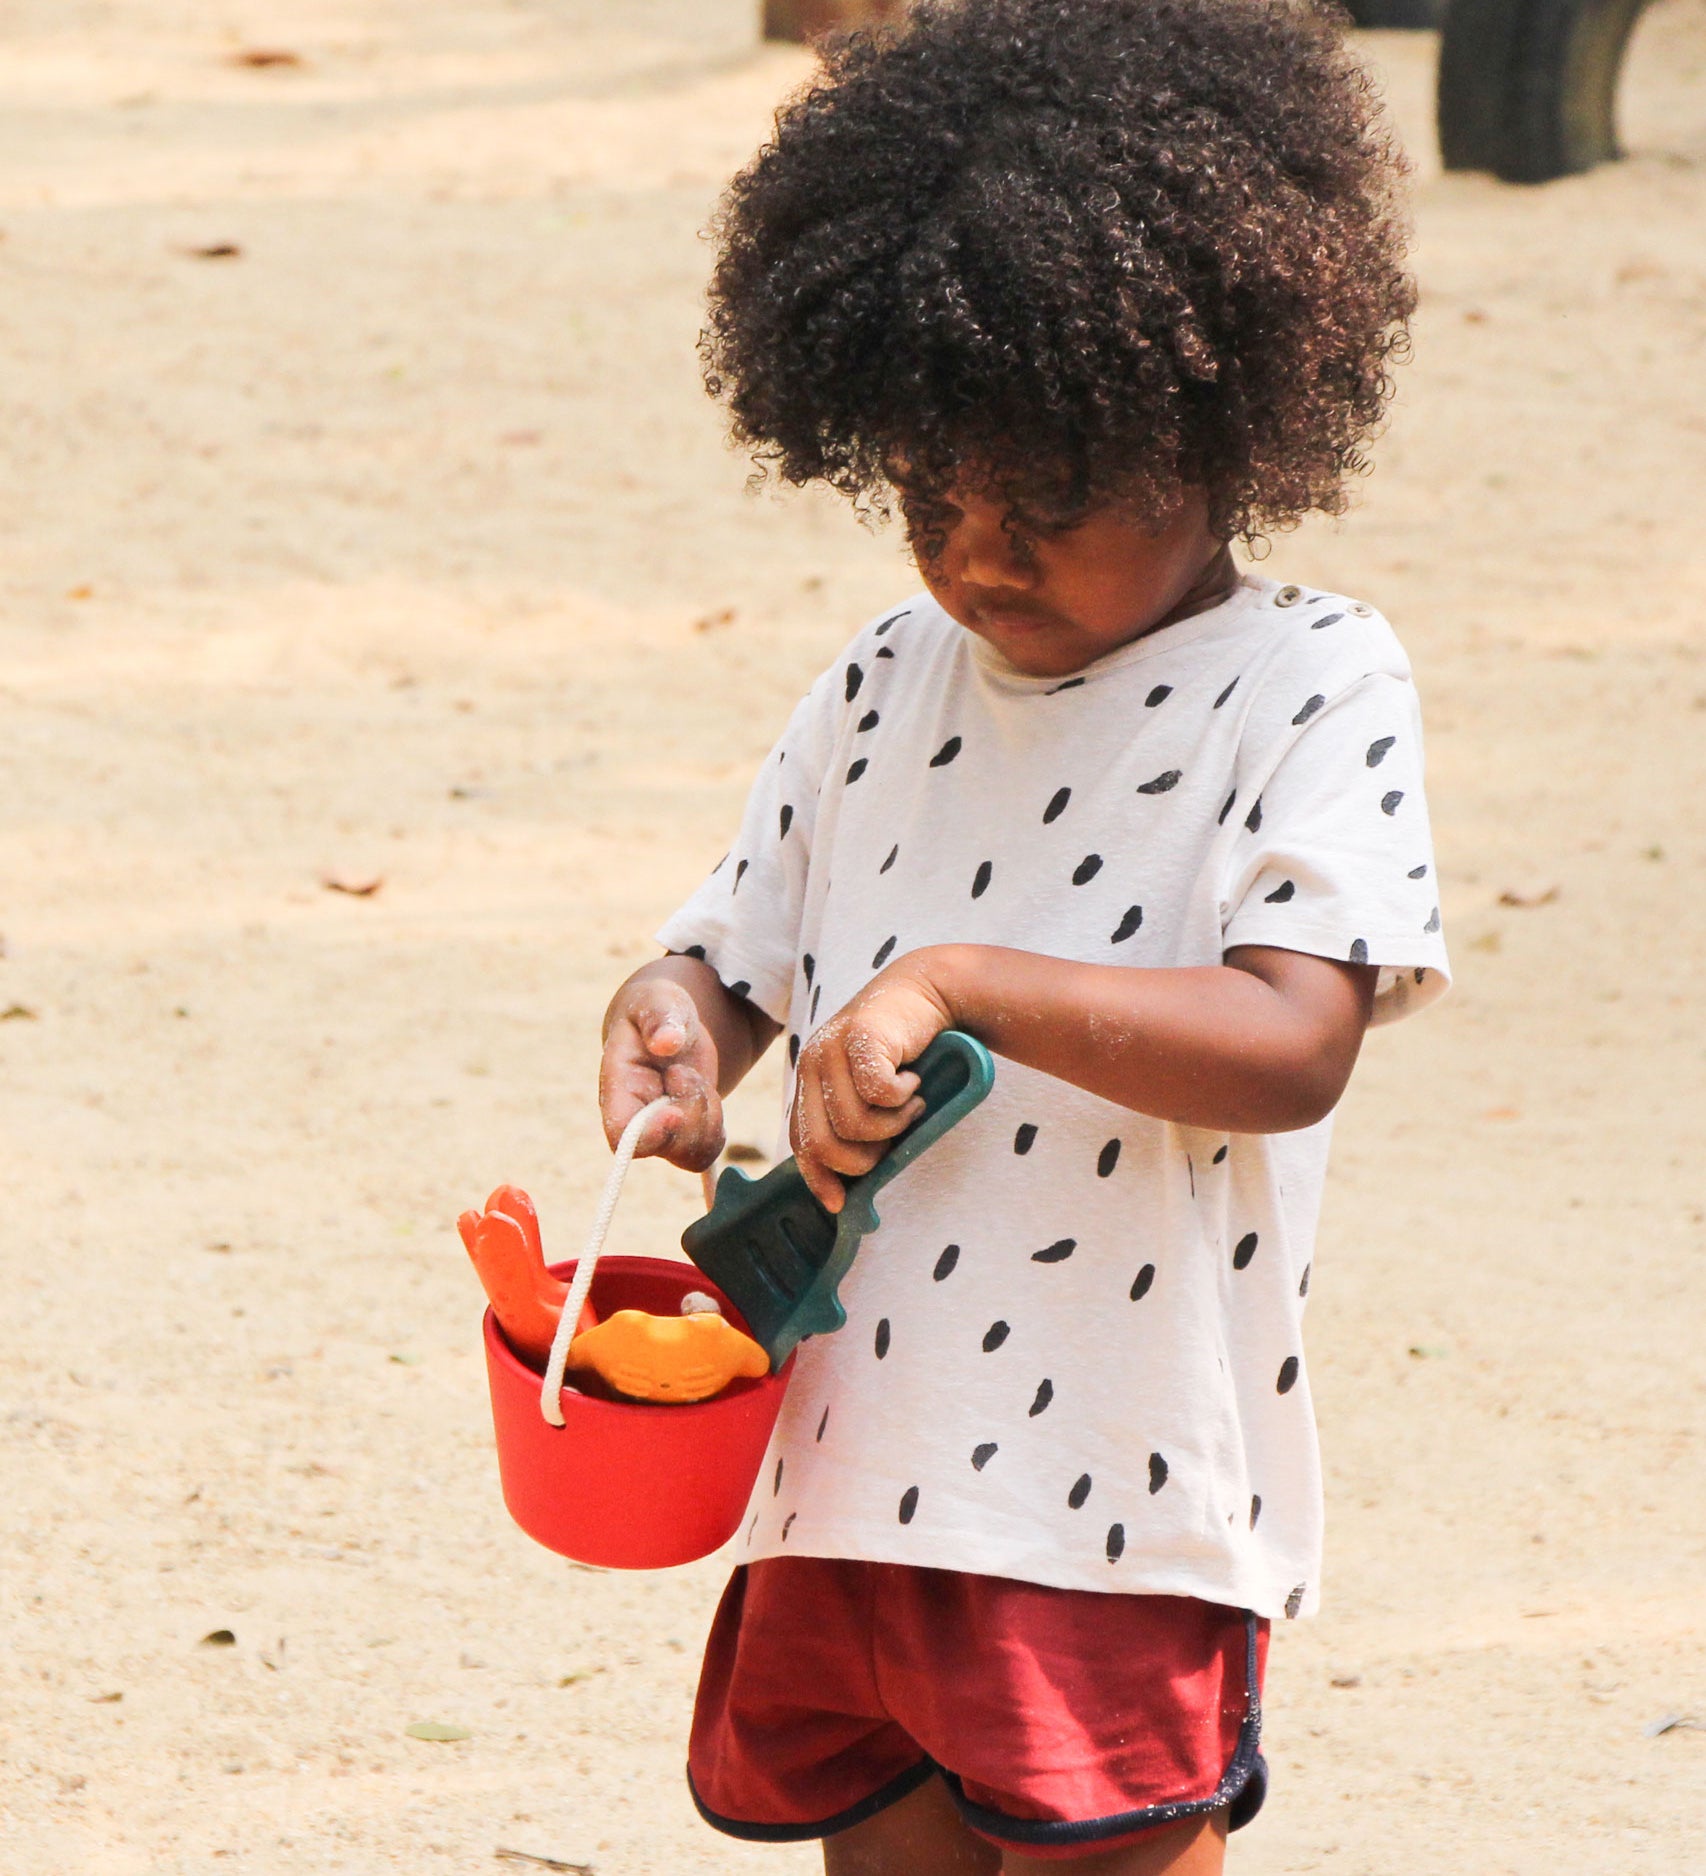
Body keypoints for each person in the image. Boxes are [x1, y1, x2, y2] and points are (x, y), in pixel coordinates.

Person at [597, 1, 1450, 1868]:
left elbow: (1295, 1042)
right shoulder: (888, 676)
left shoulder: (1308, 681)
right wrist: (672, 1025)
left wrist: (959, 979)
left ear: (1227, 424)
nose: (974, 555)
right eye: (924, 495)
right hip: (845, 1464)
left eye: (1046, 506)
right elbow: (734, 958)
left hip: (1111, 1493)